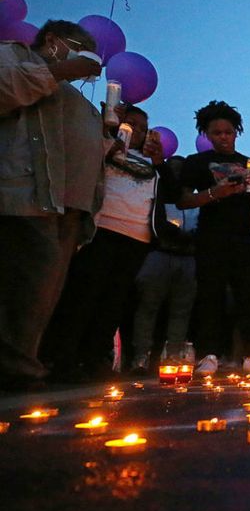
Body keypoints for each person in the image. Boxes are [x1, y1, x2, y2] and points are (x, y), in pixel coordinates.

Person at [0, 20, 105, 388]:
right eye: (79, 47)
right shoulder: (12, 56)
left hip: (68, 208)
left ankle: (25, 361)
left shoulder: (73, 93)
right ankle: (16, 369)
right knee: (23, 287)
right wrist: (61, 70)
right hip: (24, 194)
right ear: (53, 40)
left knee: (44, 294)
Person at [43, 104, 171, 381]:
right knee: (83, 295)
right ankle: (62, 358)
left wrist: (160, 161)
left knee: (113, 301)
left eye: (142, 128)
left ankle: (94, 360)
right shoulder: (102, 146)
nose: (135, 130)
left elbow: (170, 192)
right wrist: (108, 137)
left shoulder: (150, 162)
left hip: (137, 237)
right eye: (131, 124)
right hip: (102, 229)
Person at [178, 100, 250, 375]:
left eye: (228, 132)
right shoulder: (196, 163)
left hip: (244, 238)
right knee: (210, 295)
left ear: (236, 132)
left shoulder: (249, 163)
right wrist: (212, 195)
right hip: (210, 237)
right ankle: (209, 354)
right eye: (216, 132)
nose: (223, 137)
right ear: (206, 134)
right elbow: (183, 200)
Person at [130, 155, 199, 374]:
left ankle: (173, 356)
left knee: (182, 309)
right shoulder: (156, 196)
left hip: (188, 258)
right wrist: (173, 233)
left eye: (182, 170)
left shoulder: (194, 201)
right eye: (174, 169)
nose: (177, 174)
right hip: (160, 254)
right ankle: (141, 356)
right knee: (148, 305)